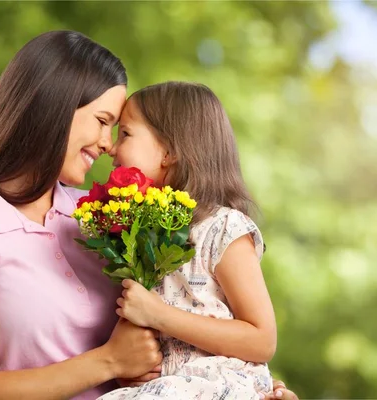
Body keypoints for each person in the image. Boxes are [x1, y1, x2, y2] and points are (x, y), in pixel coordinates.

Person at [0, 30, 297, 400]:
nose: (107, 145)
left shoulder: (107, 215)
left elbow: (194, 323)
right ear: (54, 107)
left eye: (117, 130)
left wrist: (248, 387)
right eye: (102, 122)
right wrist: (108, 361)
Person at [98, 81, 278, 399]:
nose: (112, 148)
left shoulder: (224, 229)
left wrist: (159, 316)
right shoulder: (141, 236)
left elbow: (262, 340)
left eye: (124, 134)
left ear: (169, 152)